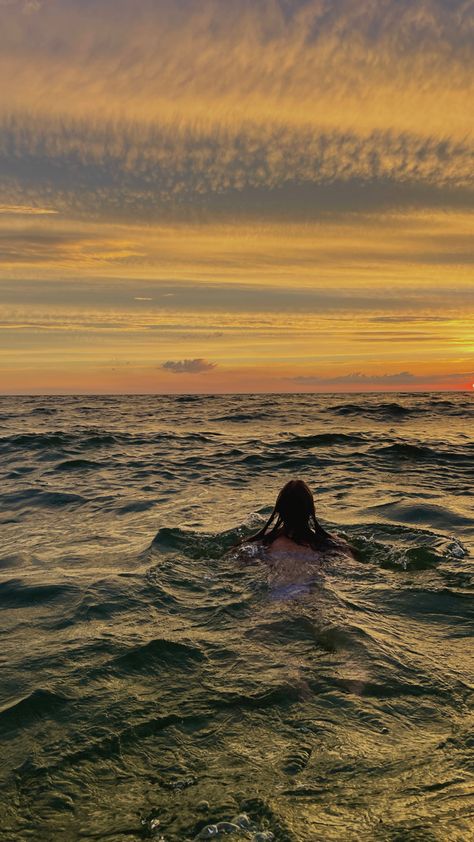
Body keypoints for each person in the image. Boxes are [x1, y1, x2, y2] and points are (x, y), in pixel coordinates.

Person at [242, 479, 352, 562]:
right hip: (311, 587)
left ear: (279, 510)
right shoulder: (329, 543)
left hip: (276, 589)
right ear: (310, 511)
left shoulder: (264, 541)